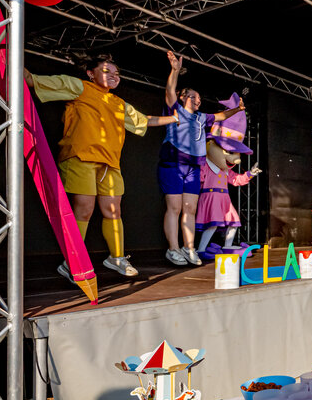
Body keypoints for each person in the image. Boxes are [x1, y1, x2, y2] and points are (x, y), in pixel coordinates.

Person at [27, 55, 181, 278]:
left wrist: (174, 119)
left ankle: (116, 257)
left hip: (109, 164)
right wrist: (9, 58)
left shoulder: (118, 103)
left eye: (117, 74)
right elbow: (34, 80)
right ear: (91, 73)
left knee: (113, 210)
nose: (114, 76)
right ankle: (72, 262)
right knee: (85, 209)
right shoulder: (79, 87)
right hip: (81, 158)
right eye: (108, 71)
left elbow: (144, 120)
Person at [160, 52, 245, 267]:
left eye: (199, 98)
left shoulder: (201, 117)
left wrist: (237, 109)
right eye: (193, 96)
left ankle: (189, 248)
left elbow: (221, 116)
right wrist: (175, 70)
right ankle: (173, 248)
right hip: (173, 164)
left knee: (190, 208)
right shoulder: (175, 110)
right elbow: (170, 91)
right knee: (174, 208)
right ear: (183, 97)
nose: (198, 100)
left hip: (193, 167)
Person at [196, 94, 260, 258]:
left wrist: (250, 174)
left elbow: (236, 180)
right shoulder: (206, 166)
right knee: (212, 225)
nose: (236, 159)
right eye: (230, 152)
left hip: (224, 198)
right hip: (210, 197)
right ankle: (201, 249)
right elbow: (196, 179)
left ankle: (228, 246)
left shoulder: (225, 171)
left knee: (234, 222)